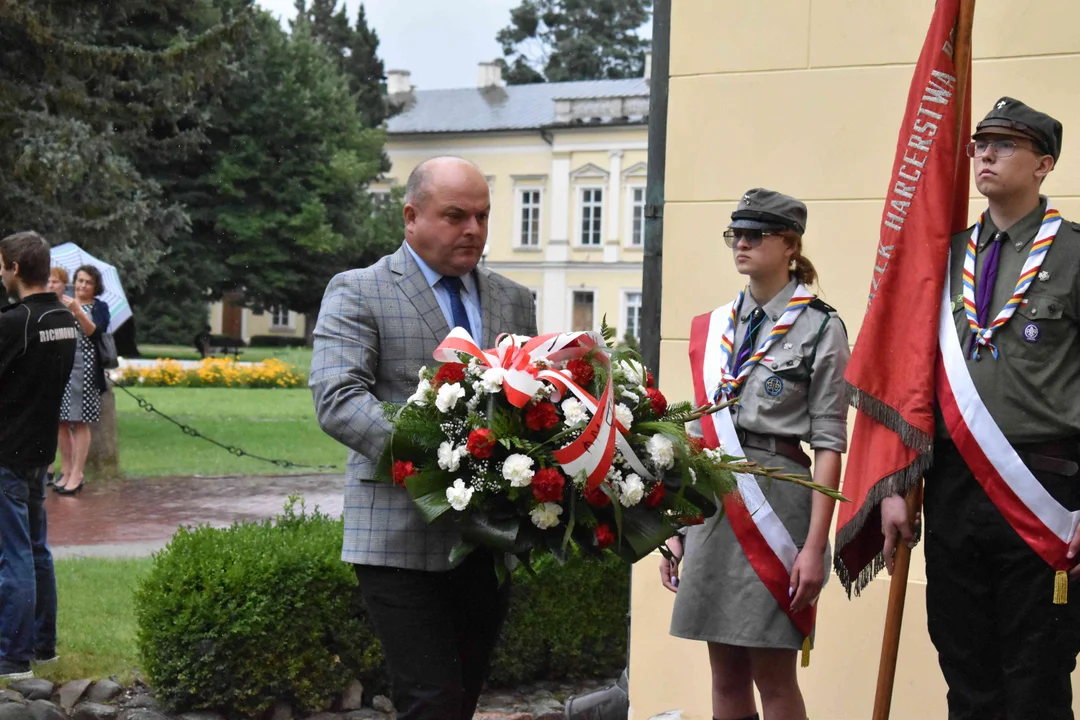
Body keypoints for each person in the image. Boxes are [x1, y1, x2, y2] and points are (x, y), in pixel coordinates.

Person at [310, 156, 537, 720]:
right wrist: (446, 454)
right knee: (429, 702)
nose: (474, 230)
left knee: (463, 698)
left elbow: (534, 405)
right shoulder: (358, 291)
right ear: (411, 216)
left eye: (483, 217)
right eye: (456, 215)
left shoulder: (513, 298)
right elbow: (339, 400)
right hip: (396, 534)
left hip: (488, 539)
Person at [880, 98, 1080, 719]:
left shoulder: (1074, 253)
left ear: (1044, 163)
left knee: (1036, 678)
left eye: (1006, 145)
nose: (985, 155)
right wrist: (896, 483)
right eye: (979, 144)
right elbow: (908, 379)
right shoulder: (943, 257)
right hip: (953, 488)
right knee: (965, 672)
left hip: (1043, 486)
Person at [661, 189, 849, 720]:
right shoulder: (716, 325)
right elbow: (698, 433)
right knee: (724, 678)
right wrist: (678, 523)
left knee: (775, 677)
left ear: (790, 243)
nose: (740, 243)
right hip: (715, 503)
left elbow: (831, 443)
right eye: (734, 234)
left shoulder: (822, 327)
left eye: (755, 234)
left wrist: (816, 547)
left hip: (778, 502)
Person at [0, 232, 77, 680]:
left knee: (13, 555)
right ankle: (44, 645)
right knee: (36, 549)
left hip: (8, 449)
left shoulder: (15, 322)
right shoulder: (62, 317)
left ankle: (12, 657)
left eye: (1, 265)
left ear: (13, 268)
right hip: (39, 448)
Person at [53, 264, 109, 495]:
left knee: (79, 421)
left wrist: (77, 310)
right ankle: (66, 470)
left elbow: (95, 332)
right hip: (61, 367)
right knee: (61, 421)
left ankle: (78, 473)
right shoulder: (60, 303)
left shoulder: (99, 307)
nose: (82, 285)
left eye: (88, 282)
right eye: (79, 280)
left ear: (95, 287)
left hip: (85, 370)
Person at [44, 267, 70, 486]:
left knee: (62, 422)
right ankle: (48, 466)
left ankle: (65, 467)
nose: (51, 285)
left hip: (64, 370)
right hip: (45, 369)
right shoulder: (42, 307)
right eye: (49, 281)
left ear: (64, 284)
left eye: (56, 282)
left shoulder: (69, 308)